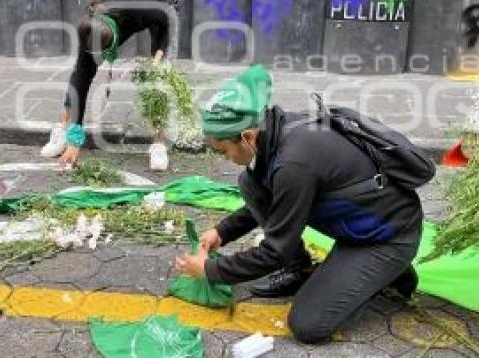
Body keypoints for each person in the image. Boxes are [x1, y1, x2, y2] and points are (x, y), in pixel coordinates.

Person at [175, 65, 423, 344]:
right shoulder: (277, 132)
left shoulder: (294, 163)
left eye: (224, 151)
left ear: (247, 136)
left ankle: (389, 269)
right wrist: (222, 231)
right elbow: (280, 201)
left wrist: (211, 271)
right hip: (356, 224)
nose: (224, 158)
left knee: (307, 325)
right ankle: (301, 270)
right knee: (250, 182)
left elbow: (274, 251)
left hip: (387, 237)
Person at [40, 0, 183, 170]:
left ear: (115, 38)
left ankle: (159, 143)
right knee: (82, 70)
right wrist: (75, 139)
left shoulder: (144, 10)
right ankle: (63, 130)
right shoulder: (91, 24)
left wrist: (158, 57)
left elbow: (166, 22)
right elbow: (80, 80)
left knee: (160, 73)